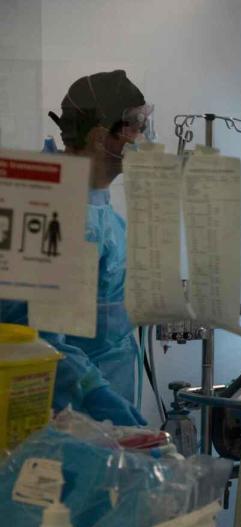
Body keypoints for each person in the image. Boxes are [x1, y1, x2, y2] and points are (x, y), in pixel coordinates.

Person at [0, 70, 150, 426]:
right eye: (136, 126)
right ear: (99, 136)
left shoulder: (97, 207)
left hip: (100, 405)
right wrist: (94, 394)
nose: (144, 137)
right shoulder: (59, 209)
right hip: (73, 414)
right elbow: (41, 338)